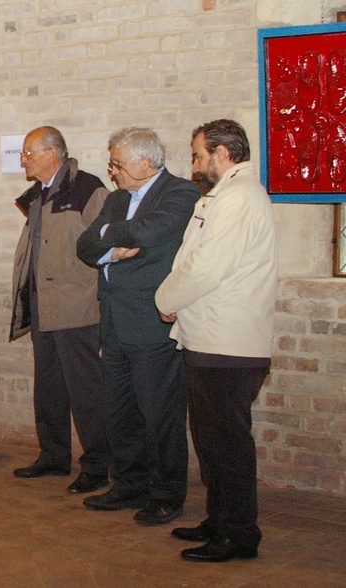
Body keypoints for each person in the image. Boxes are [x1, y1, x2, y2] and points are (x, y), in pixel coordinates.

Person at [155, 119, 277, 562]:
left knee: (227, 446)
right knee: (211, 442)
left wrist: (165, 297)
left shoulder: (240, 198)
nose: (193, 165)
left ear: (222, 154)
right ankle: (219, 519)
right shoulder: (224, 196)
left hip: (229, 344)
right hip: (210, 338)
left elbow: (207, 269)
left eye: (197, 155)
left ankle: (239, 535)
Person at [76, 127, 198, 525]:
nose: (112, 172)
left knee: (159, 412)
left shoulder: (180, 194)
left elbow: (152, 232)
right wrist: (111, 250)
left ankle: (165, 495)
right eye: (112, 164)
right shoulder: (116, 198)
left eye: (117, 164)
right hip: (113, 321)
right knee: (119, 411)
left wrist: (106, 236)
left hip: (151, 321)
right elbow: (84, 246)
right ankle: (129, 485)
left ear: (145, 162)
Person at [9, 126, 111, 494]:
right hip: (42, 306)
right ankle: (53, 455)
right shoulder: (38, 194)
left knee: (86, 391)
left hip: (77, 307)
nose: (24, 159)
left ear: (53, 153)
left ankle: (99, 464)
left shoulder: (87, 188)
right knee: (49, 387)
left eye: (28, 152)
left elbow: (107, 245)